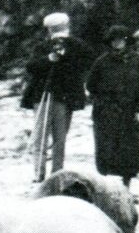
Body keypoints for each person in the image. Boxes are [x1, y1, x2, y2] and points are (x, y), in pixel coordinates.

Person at [19, 11, 93, 181]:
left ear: (49, 29)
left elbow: (31, 67)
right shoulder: (77, 46)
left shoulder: (44, 46)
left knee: (41, 137)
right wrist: (50, 59)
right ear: (67, 27)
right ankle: (56, 173)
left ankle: (40, 174)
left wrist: (50, 58)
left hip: (49, 96)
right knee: (59, 138)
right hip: (61, 97)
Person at [86, 24, 139, 187]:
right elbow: (90, 85)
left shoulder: (137, 61)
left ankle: (126, 185)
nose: (117, 44)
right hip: (106, 112)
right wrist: (100, 101)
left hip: (130, 112)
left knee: (129, 149)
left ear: (127, 41)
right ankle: (107, 186)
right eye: (114, 41)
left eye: (120, 40)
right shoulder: (101, 62)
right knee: (106, 148)